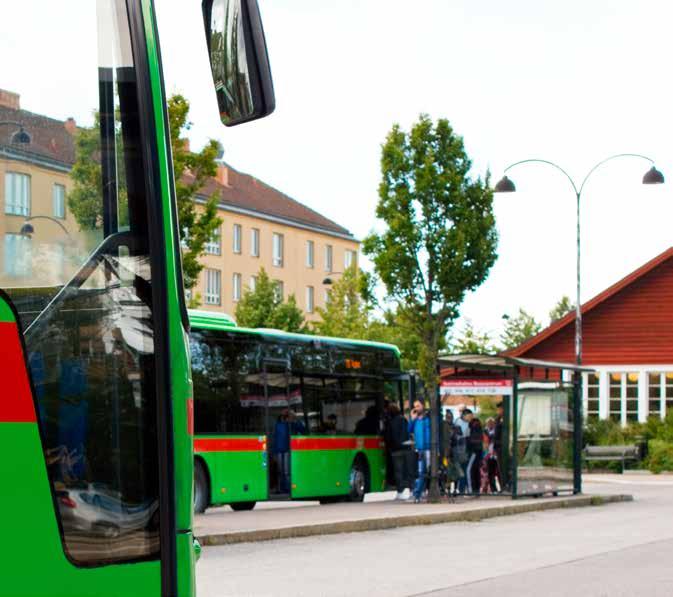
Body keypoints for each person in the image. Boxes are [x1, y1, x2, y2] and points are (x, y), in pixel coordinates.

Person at [386, 403, 414, 499]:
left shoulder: (390, 422)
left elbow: (389, 437)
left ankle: (400, 491)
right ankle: (410, 490)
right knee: (407, 470)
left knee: (398, 471)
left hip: (395, 450)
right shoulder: (403, 420)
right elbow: (408, 432)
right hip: (406, 448)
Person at [408, 399, 431, 503]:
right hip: (420, 449)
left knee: (425, 471)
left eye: (418, 406)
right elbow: (409, 430)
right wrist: (412, 419)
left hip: (428, 448)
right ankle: (418, 493)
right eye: (415, 406)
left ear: (423, 406)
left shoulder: (428, 419)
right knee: (421, 472)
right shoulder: (416, 420)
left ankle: (419, 493)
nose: (416, 408)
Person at [272, 409, 291, 493]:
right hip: (281, 450)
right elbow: (275, 438)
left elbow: (275, 438)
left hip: (284, 450)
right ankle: (283, 488)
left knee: (284, 471)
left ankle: (284, 488)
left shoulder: (287, 425)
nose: (284, 418)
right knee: (282, 471)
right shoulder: (281, 425)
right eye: (283, 416)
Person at [455, 408, 472, 494]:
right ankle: (460, 489)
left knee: (464, 470)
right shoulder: (457, 422)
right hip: (459, 450)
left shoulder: (469, 424)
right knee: (461, 471)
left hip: (464, 450)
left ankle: (462, 489)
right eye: (469, 416)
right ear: (464, 415)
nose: (470, 418)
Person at [466, 415, 483, 495]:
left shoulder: (473, 428)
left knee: (470, 470)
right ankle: (476, 489)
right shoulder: (479, 428)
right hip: (477, 451)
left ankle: (472, 489)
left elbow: (471, 440)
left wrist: (468, 442)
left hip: (474, 452)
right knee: (475, 470)